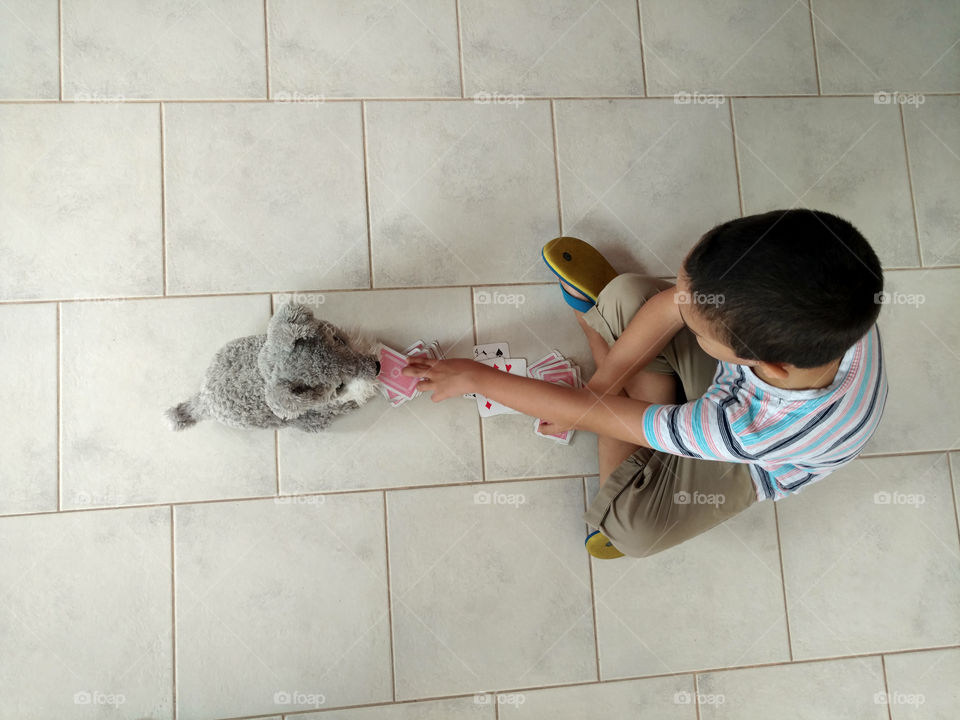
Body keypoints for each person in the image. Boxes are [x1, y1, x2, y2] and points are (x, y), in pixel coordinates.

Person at [402, 209, 888, 559]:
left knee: (630, 530)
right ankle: (622, 352)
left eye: (699, 332)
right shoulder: (838, 305)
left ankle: (603, 341)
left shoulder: (748, 431)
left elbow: (601, 419)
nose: (682, 311)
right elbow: (666, 310)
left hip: (751, 462)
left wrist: (478, 376)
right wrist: (600, 389)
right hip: (727, 397)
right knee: (633, 296)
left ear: (770, 365)